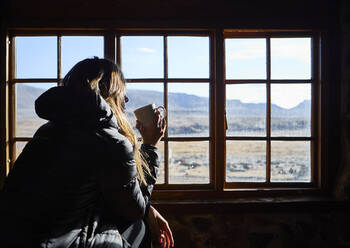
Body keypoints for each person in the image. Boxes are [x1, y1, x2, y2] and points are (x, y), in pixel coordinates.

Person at [0, 57, 174, 248]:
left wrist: (148, 208)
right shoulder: (110, 142)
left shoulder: (48, 130)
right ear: (110, 93)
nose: (126, 100)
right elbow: (132, 211)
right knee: (139, 228)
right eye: (122, 92)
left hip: (13, 237)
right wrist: (150, 146)